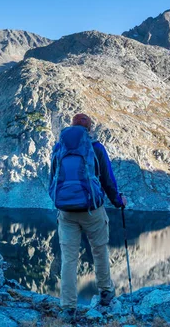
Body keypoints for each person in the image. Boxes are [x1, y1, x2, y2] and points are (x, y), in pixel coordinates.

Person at [48, 113, 127, 322]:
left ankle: (68, 308)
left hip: (66, 213)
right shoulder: (96, 148)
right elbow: (108, 180)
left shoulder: (59, 148)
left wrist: (60, 204)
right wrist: (118, 201)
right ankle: (106, 294)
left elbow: (52, 181)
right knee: (99, 250)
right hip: (93, 211)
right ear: (89, 129)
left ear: (71, 128)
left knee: (69, 259)